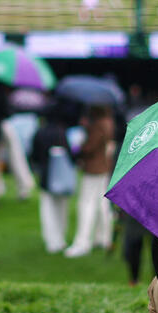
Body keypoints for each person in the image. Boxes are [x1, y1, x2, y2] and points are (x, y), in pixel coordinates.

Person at [65, 104, 115, 257]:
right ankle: (104, 237)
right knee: (102, 204)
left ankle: (82, 242)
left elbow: (89, 148)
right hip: (104, 168)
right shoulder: (109, 123)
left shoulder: (98, 126)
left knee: (86, 205)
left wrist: (79, 146)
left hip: (94, 169)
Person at [30, 103, 76, 253]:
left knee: (47, 209)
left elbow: (34, 156)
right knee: (61, 208)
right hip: (62, 177)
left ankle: (51, 240)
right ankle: (60, 239)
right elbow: (70, 155)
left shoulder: (40, 132)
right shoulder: (61, 132)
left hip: (45, 176)